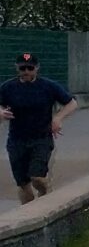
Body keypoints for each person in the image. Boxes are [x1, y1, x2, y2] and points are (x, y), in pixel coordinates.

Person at [3, 51, 76, 204]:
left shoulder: (48, 86)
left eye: (30, 68)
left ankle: (45, 190)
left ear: (37, 68)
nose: (26, 72)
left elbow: (72, 103)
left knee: (37, 177)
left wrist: (58, 118)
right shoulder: (8, 87)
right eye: (23, 68)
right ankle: (28, 211)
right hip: (17, 140)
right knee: (23, 184)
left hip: (41, 139)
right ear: (17, 68)